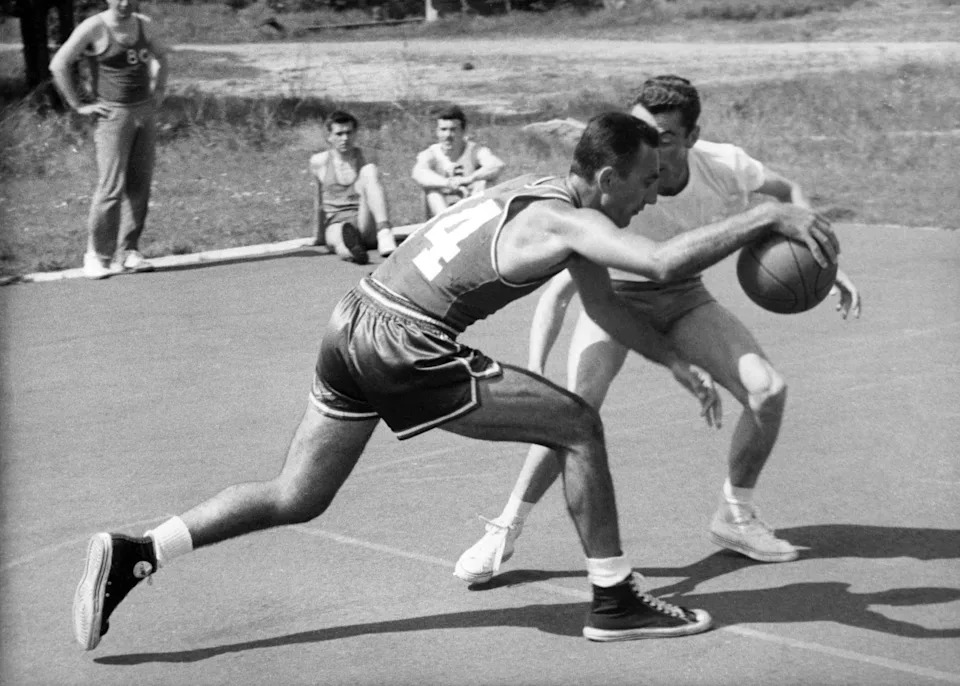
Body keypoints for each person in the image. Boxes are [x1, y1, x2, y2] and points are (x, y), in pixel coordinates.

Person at [72, 111, 839, 650]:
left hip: (354, 318)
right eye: (643, 183)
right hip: (406, 340)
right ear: (605, 176)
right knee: (577, 422)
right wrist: (766, 218)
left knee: (296, 495)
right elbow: (665, 265)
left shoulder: (541, 192)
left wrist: (674, 361)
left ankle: (142, 549)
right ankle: (612, 599)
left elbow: (605, 305)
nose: (650, 197)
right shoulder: (572, 221)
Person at [454, 75, 861, 586]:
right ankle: (506, 526)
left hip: (685, 297)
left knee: (768, 391)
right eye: (640, 129)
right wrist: (538, 361)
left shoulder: (724, 165)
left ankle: (735, 514)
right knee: (573, 408)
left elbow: (785, 196)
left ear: (691, 137)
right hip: (615, 299)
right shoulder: (616, 176)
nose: (648, 143)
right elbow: (561, 289)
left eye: (663, 136)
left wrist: (820, 256)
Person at [49, 0, 169, 280]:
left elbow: (162, 57)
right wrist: (78, 105)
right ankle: (96, 255)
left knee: (139, 184)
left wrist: (160, 89)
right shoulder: (94, 27)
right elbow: (59, 64)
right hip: (114, 115)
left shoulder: (144, 24)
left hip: (144, 111)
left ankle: (128, 252)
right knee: (111, 187)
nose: (125, 3)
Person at [310, 110, 398, 265]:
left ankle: (384, 232)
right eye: (339, 134)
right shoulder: (319, 162)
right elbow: (318, 201)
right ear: (329, 136)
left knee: (370, 170)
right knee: (338, 236)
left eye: (349, 133)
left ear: (355, 134)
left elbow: (377, 195)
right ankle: (353, 252)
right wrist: (318, 237)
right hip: (337, 222)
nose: (345, 138)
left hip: (363, 219)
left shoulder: (366, 157)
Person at [412, 105, 506, 219]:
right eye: (443, 130)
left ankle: (478, 223)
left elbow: (497, 165)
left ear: (463, 131)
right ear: (437, 132)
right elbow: (418, 172)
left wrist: (469, 179)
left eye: (453, 130)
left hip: (471, 208)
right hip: (440, 211)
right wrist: (449, 183)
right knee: (431, 189)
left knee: (485, 182)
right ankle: (446, 222)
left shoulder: (475, 151)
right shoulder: (432, 153)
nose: (447, 135)